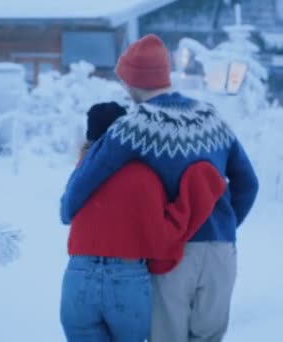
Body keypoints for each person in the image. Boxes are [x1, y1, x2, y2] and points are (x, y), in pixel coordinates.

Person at [60, 34, 259, 341]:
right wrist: (225, 225)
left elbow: (86, 180)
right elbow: (248, 183)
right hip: (222, 252)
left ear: (129, 82)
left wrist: (68, 208)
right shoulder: (211, 117)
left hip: (172, 254)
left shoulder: (134, 126)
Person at [60, 101, 227, 342]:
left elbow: (66, 213)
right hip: (126, 278)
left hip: (78, 276)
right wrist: (195, 192)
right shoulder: (145, 177)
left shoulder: (80, 175)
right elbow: (161, 239)